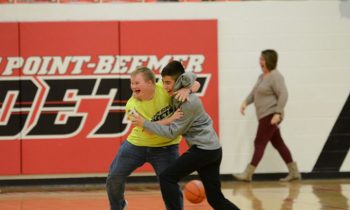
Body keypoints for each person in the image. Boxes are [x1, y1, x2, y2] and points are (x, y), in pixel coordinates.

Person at [132, 61, 240, 210]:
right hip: (213, 149)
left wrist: (145, 124)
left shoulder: (187, 103)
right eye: (163, 82)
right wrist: (188, 88)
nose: (165, 87)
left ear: (179, 81)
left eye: (168, 82)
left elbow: (172, 133)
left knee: (167, 177)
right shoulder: (181, 89)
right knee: (215, 199)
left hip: (204, 150)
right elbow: (191, 75)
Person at [106, 66, 199, 210]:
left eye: (137, 83)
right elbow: (148, 130)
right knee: (114, 177)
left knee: (169, 184)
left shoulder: (165, 87)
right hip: (136, 145)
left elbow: (196, 83)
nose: (133, 86)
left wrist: (187, 89)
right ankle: (118, 206)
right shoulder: (132, 105)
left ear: (151, 83)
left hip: (166, 147)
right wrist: (171, 119)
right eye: (131, 83)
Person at [233, 49, 301, 182]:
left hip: (270, 115)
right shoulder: (261, 77)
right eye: (260, 59)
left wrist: (278, 112)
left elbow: (284, 94)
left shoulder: (276, 76)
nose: (260, 62)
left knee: (259, 142)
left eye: (262, 59)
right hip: (265, 116)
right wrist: (245, 102)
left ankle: (248, 173)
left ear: (269, 60)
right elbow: (254, 93)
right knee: (279, 143)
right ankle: (294, 172)